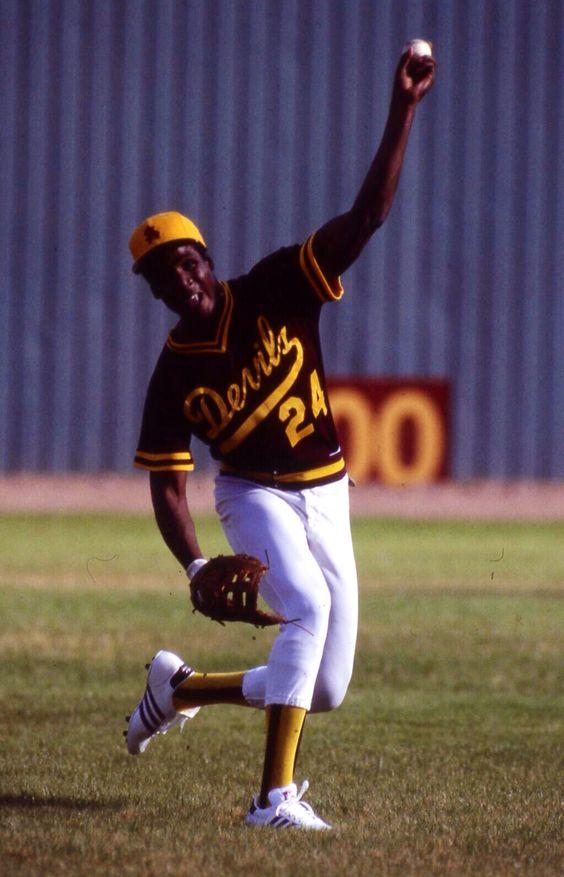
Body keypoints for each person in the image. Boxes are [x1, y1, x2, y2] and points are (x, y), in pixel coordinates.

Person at [125, 46, 435, 830]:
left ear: (207, 258)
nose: (180, 279)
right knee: (305, 608)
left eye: (185, 260)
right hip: (253, 491)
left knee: (324, 686)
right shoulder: (174, 374)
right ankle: (272, 799)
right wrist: (195, 560)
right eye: (164, 276)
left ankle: (180, 688)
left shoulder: (275, 288)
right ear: (157, 292)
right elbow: (167, 482)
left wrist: (401, 112)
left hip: (327, 489)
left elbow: (365, 217)